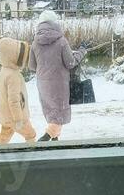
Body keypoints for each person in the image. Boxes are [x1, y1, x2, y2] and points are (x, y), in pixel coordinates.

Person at [29, 10, 86, 141]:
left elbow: (32, 66)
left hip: (43, 84)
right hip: (59, 84)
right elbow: (71, 62)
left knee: (52, 113)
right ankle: (46, 137)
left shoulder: (35, 43)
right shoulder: (61, 41)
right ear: (55, 23)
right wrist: (82, 50)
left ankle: (55, 141)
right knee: (59, 114)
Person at [0, 36, 36, 144]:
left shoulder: (4, 70)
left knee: (3, 139)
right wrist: (19, 119)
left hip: (6, 116)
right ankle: (32, 155)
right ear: (13, 57)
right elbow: (13, 100)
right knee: (30, 134)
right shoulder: (12, 75)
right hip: (16, 117)